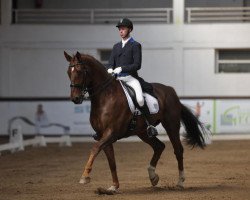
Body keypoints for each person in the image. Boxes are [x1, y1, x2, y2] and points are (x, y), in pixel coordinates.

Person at [107, 18, 158, 137]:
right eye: (119, 29)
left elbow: (137, 65)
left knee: (140, 99)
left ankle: (150, 125)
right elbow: (110, 62)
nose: (121, 31)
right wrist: (109, 68)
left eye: (123, 28)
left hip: (130, 78)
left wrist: (122, 68)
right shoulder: (116, 46)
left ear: (130, 29)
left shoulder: (135, 45)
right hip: (117, 79)